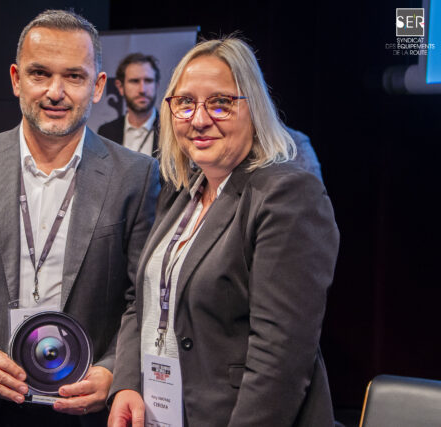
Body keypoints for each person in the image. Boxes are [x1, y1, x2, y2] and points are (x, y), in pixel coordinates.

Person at [0, 9, 160, 427]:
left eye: (74, 77)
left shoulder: (136, 175)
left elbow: (143, 299)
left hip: (82, 407)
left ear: (97, 86)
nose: (55, 92)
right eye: (40, 73)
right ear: (16, 79)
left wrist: (117, 370)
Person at [108, 37, 339, 427]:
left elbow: (280, 358)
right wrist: (128, 383)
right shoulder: (183, 192)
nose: (199, 119)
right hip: (162, 414)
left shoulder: (287, 194)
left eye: (220, 103)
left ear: (254, 108)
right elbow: (143, 300)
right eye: (185, 103)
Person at [98, 53, 160, 157]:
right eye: (135, 81)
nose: (142, 90)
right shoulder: (106, 133)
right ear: (120, 87)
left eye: (148, 81)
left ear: (156, 85)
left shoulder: (171, 132)